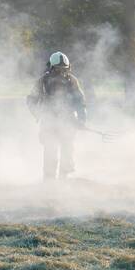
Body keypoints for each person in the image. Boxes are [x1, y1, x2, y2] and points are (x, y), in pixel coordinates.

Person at [27, 52, 87, 180]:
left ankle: (63, 181)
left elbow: (80, 101)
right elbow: (31, 100)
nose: (61, 73)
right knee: (50, 152)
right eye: (58, 69)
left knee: (67, 151)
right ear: (51, 68)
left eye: (63, 69)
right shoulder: (42, 82)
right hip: (48, 122)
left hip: (67, 122)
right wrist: (38, 113)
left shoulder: (72, 81)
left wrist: (82, 119)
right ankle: (49, 182)